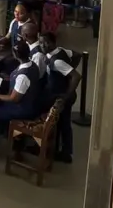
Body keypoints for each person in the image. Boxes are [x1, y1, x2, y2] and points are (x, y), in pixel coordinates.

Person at [0, 40, 42, 139]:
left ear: (15, 55)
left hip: (22, 108)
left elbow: (14, 99)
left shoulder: (23, 76)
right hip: (30, 101)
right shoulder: (32, 64)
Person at [40, 32, 82, 163]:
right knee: (63, 122)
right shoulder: (61, 51)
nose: (43, 45)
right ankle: (62, 149)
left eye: (46, 42)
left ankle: (66, 153)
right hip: (59, 92)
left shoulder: (57, 61)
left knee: (64, 122)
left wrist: (65, 96)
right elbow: (76, 54)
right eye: (41, 42)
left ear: (53, 42)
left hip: (61, 95)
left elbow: (76, 76)